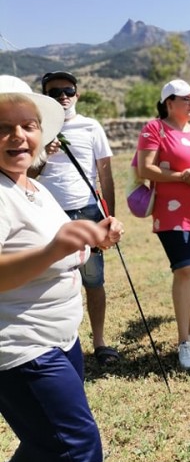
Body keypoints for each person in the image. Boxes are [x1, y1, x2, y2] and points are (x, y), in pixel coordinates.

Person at [0, 75, 138, 462]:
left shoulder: (30, 187)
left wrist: (92, 239)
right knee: (76, 447)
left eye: (28, 125)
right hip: (20, 350)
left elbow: (59, 250)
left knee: (49, 435)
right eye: (4, 128)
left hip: (57, 340)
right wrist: (60, 243)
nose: (19, 137)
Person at [136, 79, 190, 371]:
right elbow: (145, 168)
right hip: (171, 212)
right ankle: (183, 342)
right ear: (169, 102)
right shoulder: (154, 129)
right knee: (184, 269)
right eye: (186, 99)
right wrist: (182, 176)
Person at [36, 71, 120, 367]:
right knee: (52, 281)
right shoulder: (36, 130)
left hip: (88, 212)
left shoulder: (91, 127)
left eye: (68, 90)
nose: (63, 96)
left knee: (94, 280)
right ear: (45, 98)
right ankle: (59, 344)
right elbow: (25, 174)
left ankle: (100, 343)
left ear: (77, 94)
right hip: (48, 216)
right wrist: (43, 154)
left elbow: (105, 173)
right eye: (55, 92)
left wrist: (111, 216)